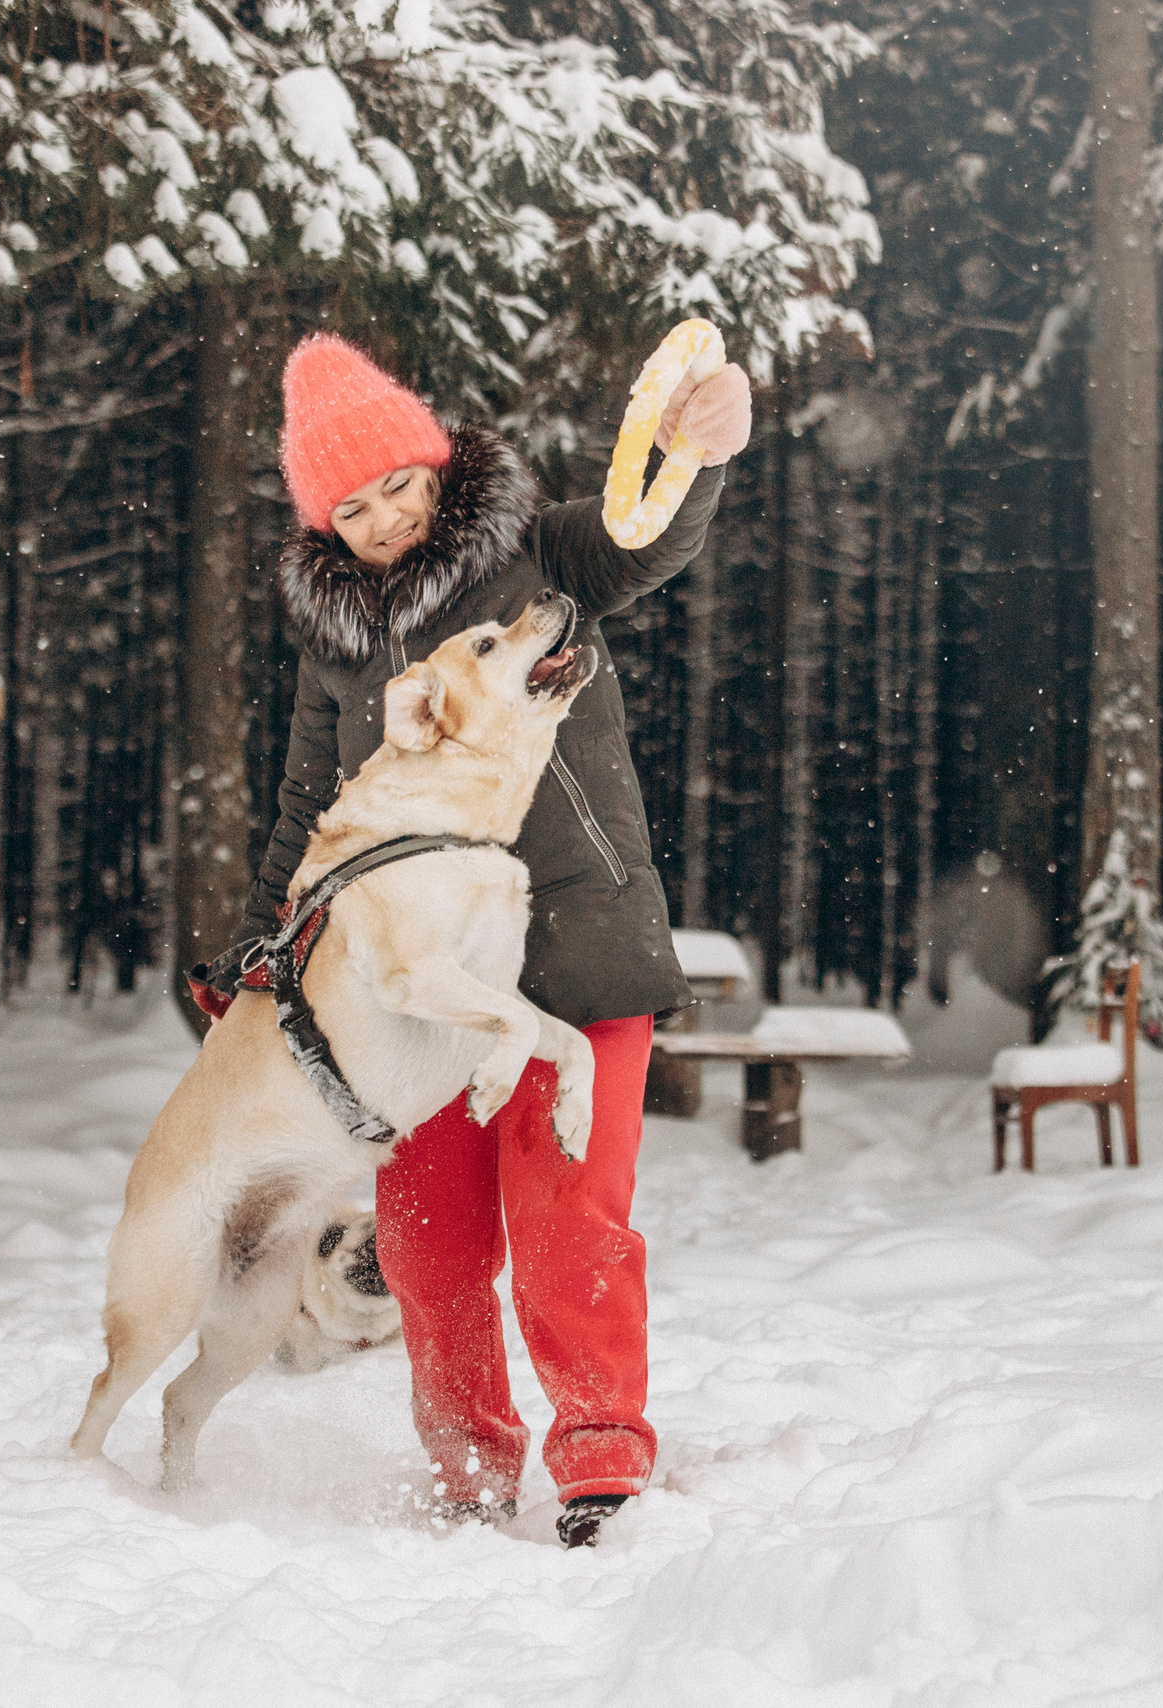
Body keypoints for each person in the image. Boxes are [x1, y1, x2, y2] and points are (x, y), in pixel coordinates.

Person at [222, 332, 750, 1548]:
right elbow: (311, 799)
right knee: (429, 1250)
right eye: (351, 507)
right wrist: (261, 948)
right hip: (428, 990)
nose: (387, 519)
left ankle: (600, 1456)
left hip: (579, 949)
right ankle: (464, 1467)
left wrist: (700, 448)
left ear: (438, 462)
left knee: (571, 1227)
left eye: (399, 483)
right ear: (322, 524)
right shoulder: (337, 638)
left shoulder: (540, 555)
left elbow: (648, 532)